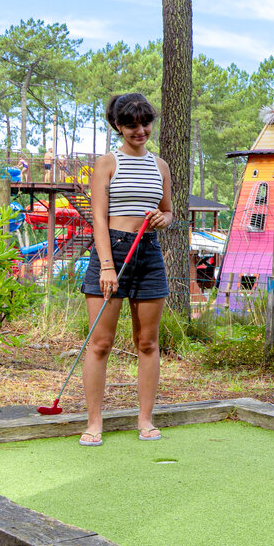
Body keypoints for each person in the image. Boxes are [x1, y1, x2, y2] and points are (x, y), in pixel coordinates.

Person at [78, 93, 174, 446]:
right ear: (118, 126)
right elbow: (98, 219)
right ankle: (94, 423)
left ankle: (145, 419)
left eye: (145, 123)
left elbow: (168, 211)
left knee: (147, 342)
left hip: (148, 253)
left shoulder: (160, 166)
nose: (140, 131)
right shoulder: (107, 163)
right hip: (112, 252)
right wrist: (106, 266)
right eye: (132, 125)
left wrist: (163, 219)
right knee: (101, 343)